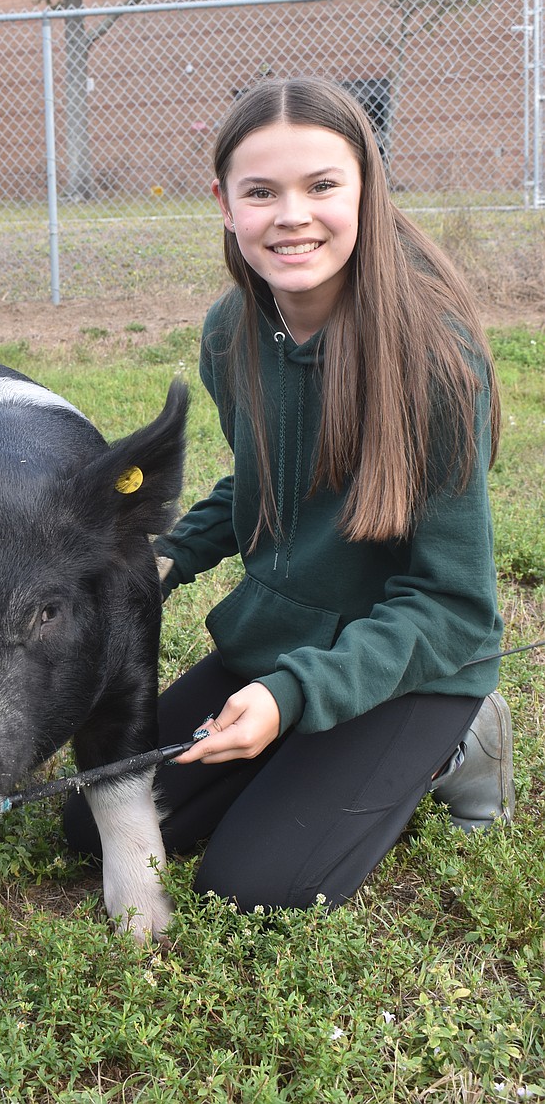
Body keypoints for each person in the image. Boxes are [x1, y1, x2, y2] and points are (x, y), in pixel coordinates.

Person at [64, 75, 514, 914]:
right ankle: (300, 746)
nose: (292, 215)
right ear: (225, 204)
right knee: (90, 824)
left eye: (322, 185)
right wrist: (167, 553)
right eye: (261, 191)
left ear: (367, 192)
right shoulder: (230, 333)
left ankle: (461, 744)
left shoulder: (432, 360)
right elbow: (264, 475)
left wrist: (292, 697)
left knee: (254, 889)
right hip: (275, 641)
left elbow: (455, 603)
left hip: (413, 663)